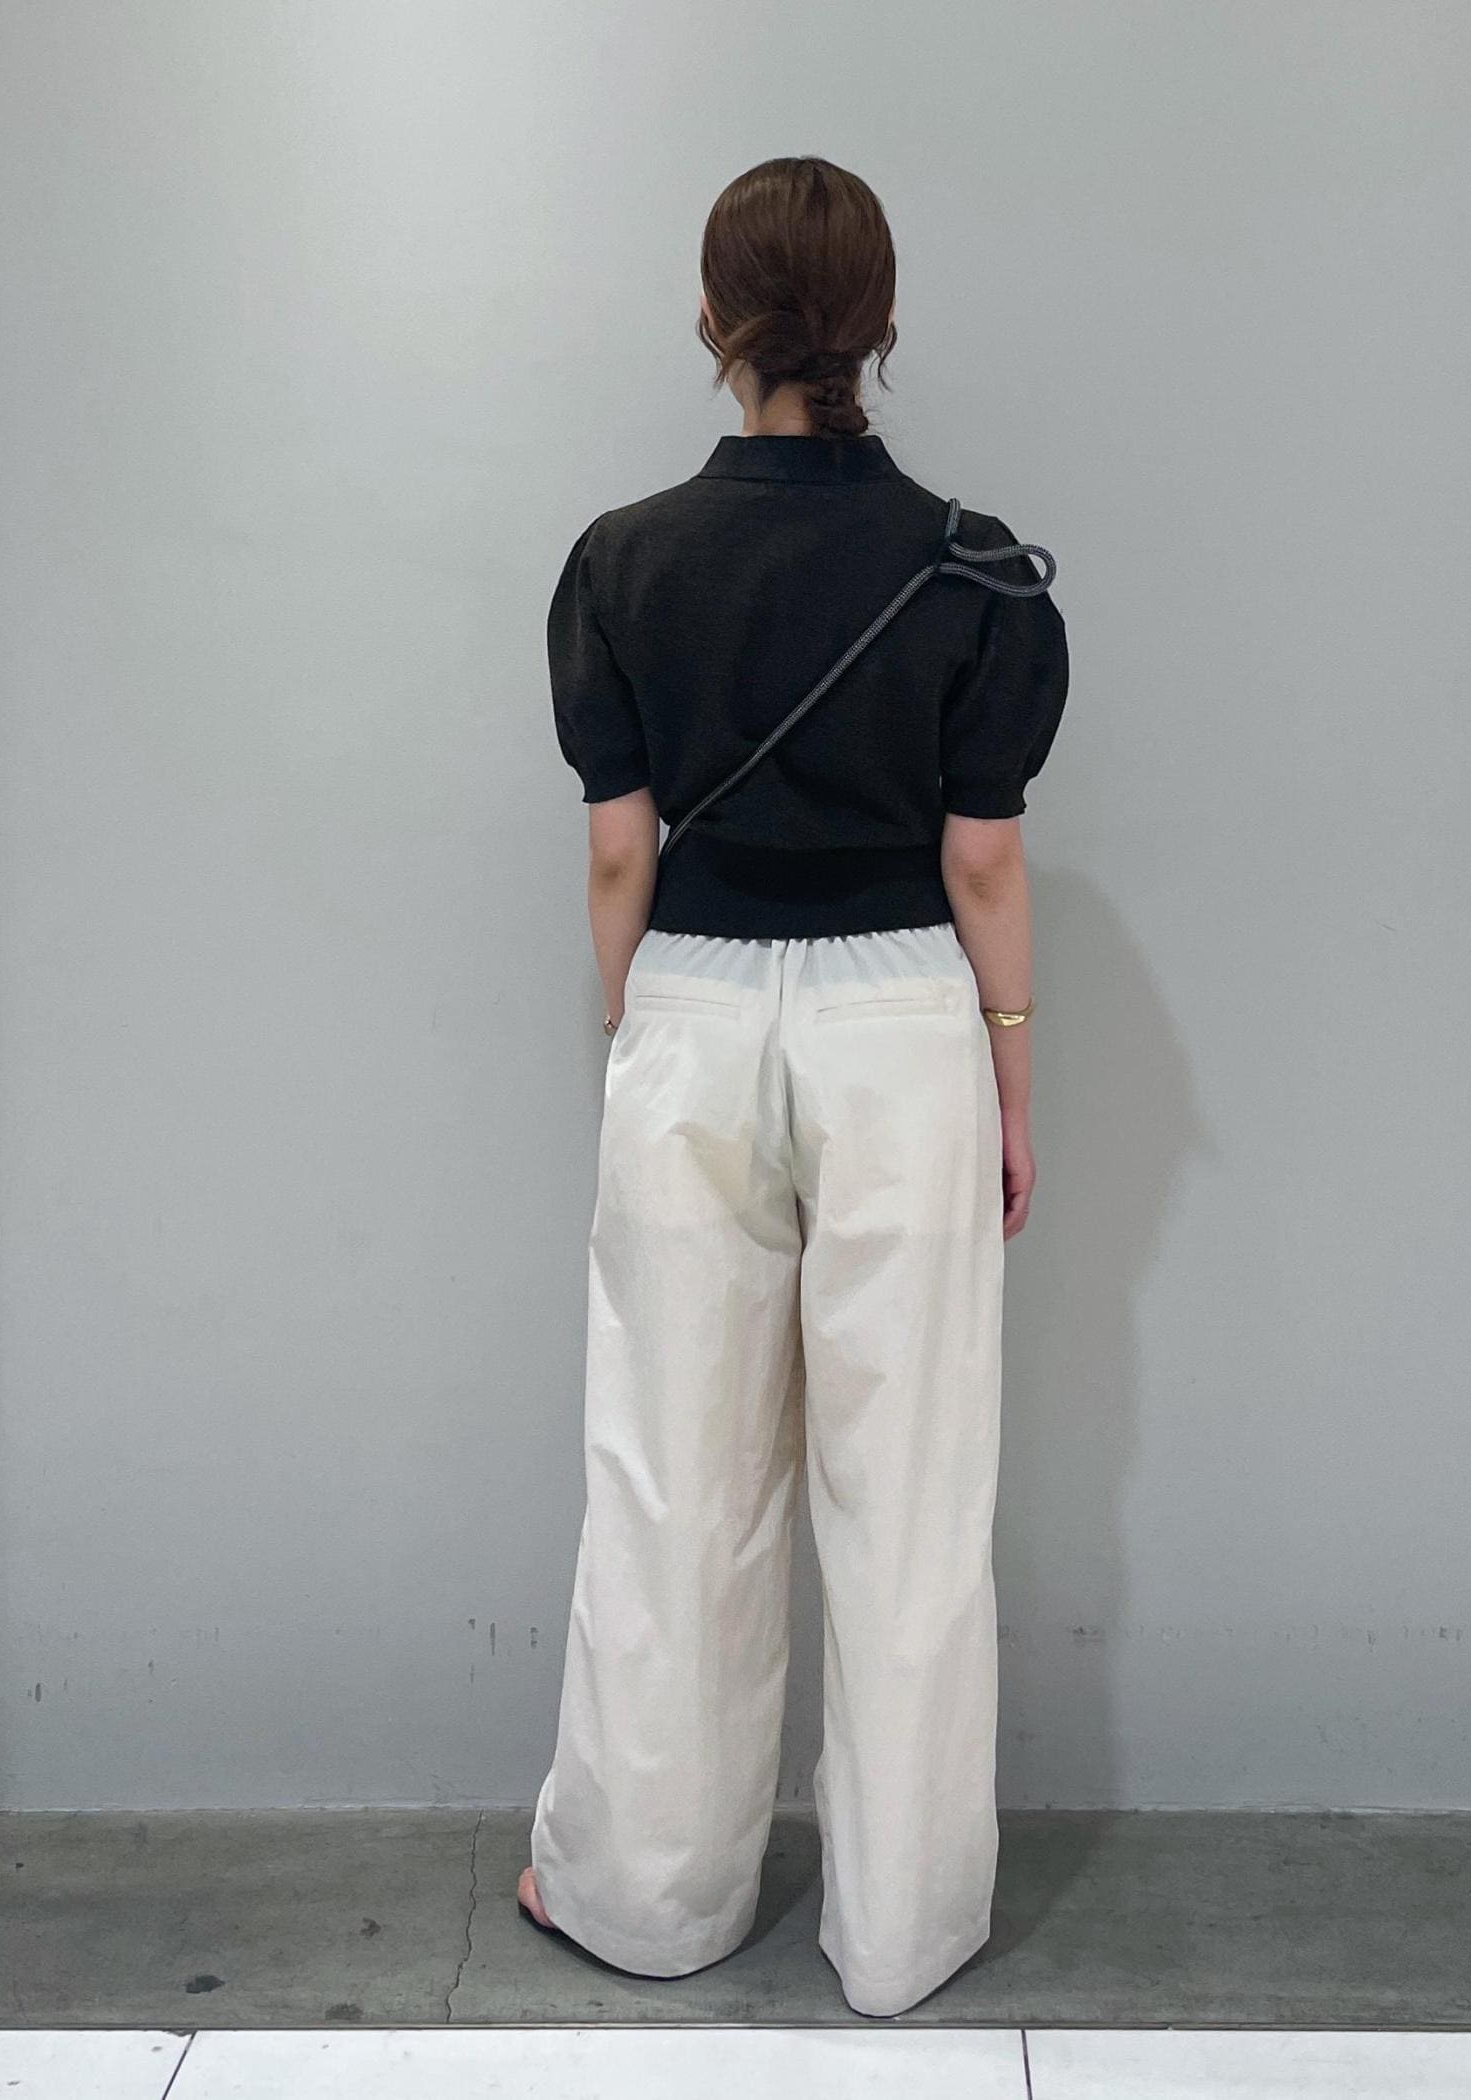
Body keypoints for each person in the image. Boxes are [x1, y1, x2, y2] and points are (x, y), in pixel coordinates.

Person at [518, 155, 1069, 2020]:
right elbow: (983, 862)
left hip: (691, 1011)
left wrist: (644, 1018)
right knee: (907, 1485)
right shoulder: (975, 569)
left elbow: (620, 849)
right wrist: (1010, 1081)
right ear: (880, 327)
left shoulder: (621, 561)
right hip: (904, 1021)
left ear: (713, 319)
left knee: (676, 1473)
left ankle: (647, 1900)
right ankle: (902, 1932)